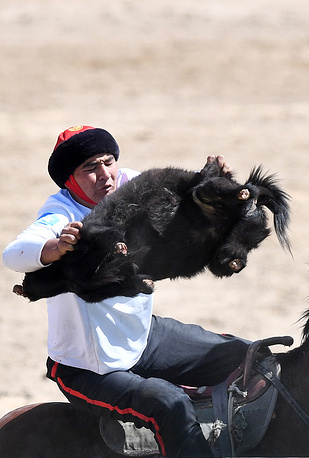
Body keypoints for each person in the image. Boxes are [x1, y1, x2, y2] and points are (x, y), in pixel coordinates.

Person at [3, 125, 249, 458]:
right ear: (69, 181)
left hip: (144, 337)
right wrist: (55, 247)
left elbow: (184, 195)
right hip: (87, 366)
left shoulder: (128, 187)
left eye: (108, 161)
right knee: (169, 404)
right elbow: (14, 253)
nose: (104, 174)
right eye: (90, 168)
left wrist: (219, 187)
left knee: (247, 355)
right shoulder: (61, 215)